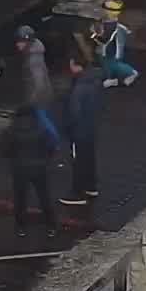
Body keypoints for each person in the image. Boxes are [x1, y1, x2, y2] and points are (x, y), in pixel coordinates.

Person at [2, 104, 59, 236]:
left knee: (20, 199)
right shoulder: (41, 129)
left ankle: (21, 227)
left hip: (19, 169)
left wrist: (13, 161)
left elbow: (5, 150)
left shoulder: (11, 130)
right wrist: (45, 160)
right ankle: (51, 226)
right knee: (44, 197)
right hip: (39, 169)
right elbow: (50, 147)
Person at [59, 55, 105, 206]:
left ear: (75, 65)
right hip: (91, 127)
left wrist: (67, 129)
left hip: (79, 130)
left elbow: (74, 112)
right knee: (88, 157)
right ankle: (91, 186)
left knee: (78, 161)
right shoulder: (95, 80)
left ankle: (77, 193)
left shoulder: (80, 86)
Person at [13, 25, 59, 137]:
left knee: (44, 122)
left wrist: (31, 102)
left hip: (39, 98)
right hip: (42, 95)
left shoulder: (33, 60)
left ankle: (55, 144)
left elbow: (38, 82)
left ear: (28, 42)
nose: (17, 44)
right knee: (44, 120)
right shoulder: (33, 53)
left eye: (20, 42)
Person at [94, 8, 138, 88]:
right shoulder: (114, 25)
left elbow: (105, 40)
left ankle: (131, 73)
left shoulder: (113, 27)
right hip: (113, 48)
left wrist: (96, 36)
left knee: (112, 63)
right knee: (107, 63)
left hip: (112, 50)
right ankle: (111, 79)